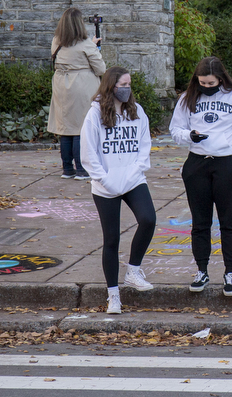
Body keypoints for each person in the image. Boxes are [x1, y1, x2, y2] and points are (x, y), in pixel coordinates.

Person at [169, 56, 232, 296]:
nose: (207, 87)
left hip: (226, 161)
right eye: (202, 83)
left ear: (220, 79)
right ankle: (202, 270)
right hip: (197, 163)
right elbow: (175, 129)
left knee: (229, 220)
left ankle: (230, 272)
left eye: (211, 83)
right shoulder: (188, 98)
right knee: (200, 221)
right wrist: (189, 136)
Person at [80, 66, 155, 315]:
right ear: (111, 86)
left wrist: (135, 172)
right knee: (111, 239)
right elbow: (88, 154)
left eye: (129, 84)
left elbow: (145, 146)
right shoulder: (95, 115)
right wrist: (106, 180)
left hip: (133, 179)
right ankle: (113, 295)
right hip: (106, 185)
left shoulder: (137, 111)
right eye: (123, 84)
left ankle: (133, 271)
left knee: (148, 219)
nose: (127, 89)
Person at [47, 7, 105, 180]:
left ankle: (67, 168)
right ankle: (81, 168)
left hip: (61, 85)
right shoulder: (86, 44)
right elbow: (101, 68)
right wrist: (94, 47)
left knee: (65, 128)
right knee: (81, 128)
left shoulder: (56, 41)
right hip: (81, 86)